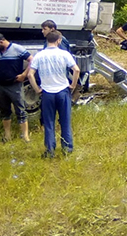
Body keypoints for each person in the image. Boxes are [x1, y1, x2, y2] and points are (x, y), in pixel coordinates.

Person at [28, 30, 80, 158]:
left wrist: (37, 89)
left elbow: (30, 74)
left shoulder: (39, 55)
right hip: (62, 90)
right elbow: (76, 70)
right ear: (59, 40)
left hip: (47, 92)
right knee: (65, 121)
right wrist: (72, 85)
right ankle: (67, 149)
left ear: (47, 40)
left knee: (49, 122)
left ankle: (50, 150)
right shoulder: (64, 54)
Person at [0, 33, 33, 143]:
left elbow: (32, 60)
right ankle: (7, 136)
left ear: (1, 42)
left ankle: (25, 137)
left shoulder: (17, 49)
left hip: (15, 85)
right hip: (1, 86)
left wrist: (24, 74)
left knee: (20, 110)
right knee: (4, 111)